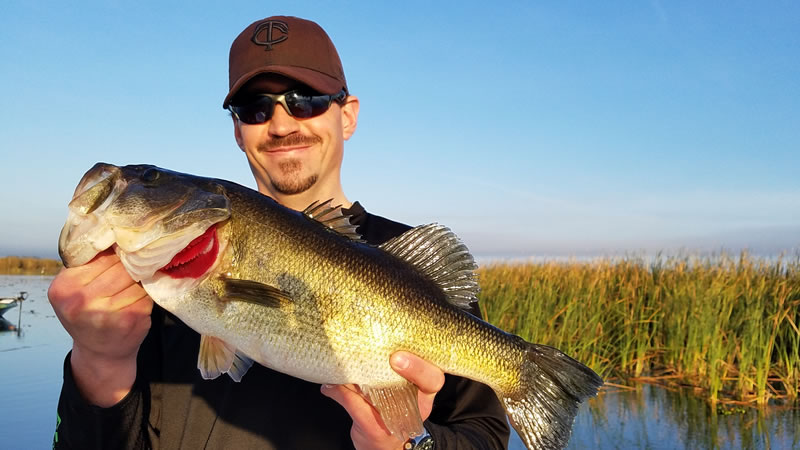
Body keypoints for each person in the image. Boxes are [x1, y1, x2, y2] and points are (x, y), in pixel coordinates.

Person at [49, 15, 510, 450]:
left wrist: (411, 444)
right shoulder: (141, 294)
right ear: (237, 130)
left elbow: (484, 433)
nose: (282, 124)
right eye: (255, 108)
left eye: (305, 100)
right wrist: (99, 364)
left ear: (347, 115)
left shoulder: (409, 268)